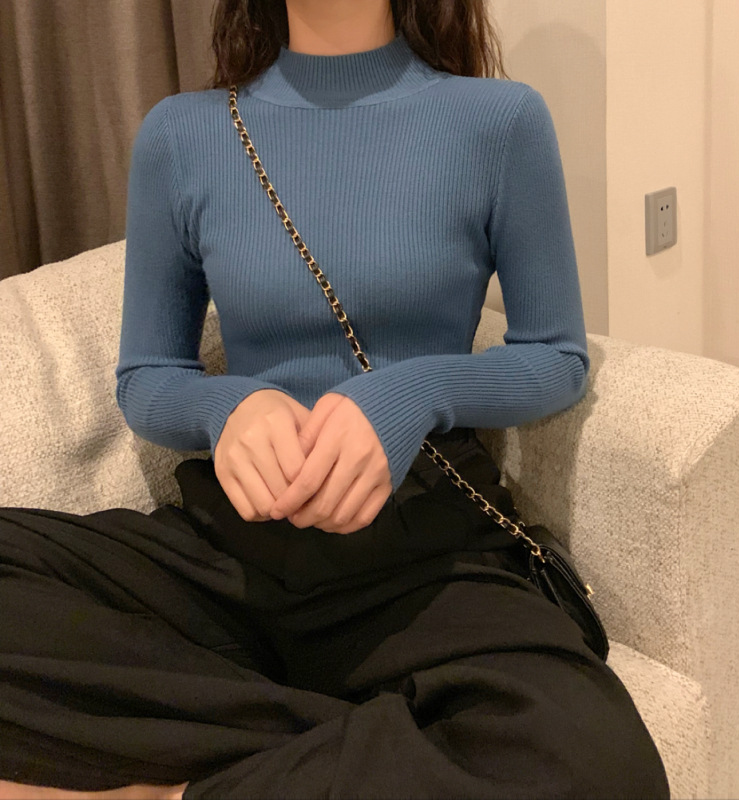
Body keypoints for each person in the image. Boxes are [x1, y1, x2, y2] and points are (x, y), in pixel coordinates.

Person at [0, 0, 671, 798]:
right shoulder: (183, 135)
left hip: (422, 549)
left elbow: (556, 358)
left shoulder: (499, 121)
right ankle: (372, 743)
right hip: (234, 551)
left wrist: (412, 392)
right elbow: (146, 375)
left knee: (605, 764)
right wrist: (228, 408)